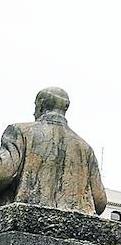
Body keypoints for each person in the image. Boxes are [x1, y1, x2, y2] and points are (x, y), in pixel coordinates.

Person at [0, 87, 107, 215]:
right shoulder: (85, 148)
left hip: (24, 217)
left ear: (40, 105)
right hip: (71, 225)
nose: (34, 113)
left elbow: (4, 173)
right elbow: (99, 201)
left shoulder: (19, 131)